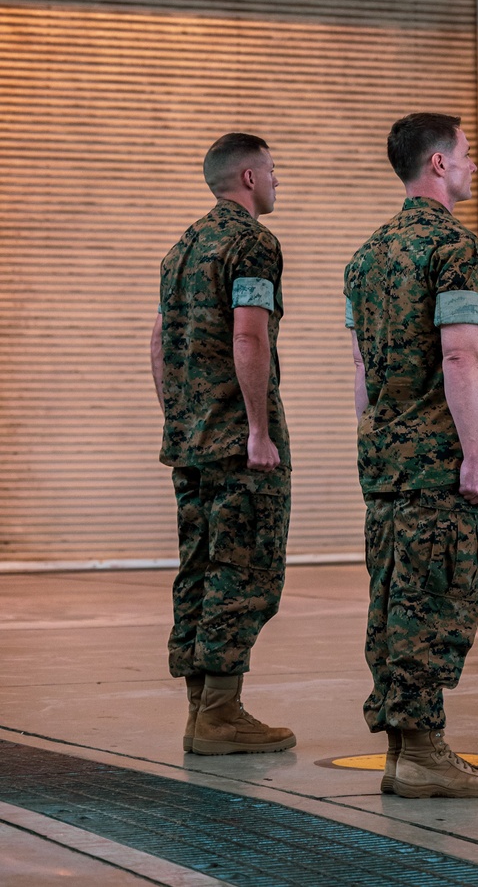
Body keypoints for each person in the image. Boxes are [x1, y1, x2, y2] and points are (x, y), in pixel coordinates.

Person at [344, 112, 478, 800]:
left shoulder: (367, 256)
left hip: (387, 463)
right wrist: (475, 456)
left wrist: (378, 442)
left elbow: (359, 372)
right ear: (438, 164)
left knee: (392, 603)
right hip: (440, 464)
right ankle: (421, 753)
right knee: (435, 602)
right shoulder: (453, 249)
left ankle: (401, 751)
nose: (472, 165)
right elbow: (462, 352)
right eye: (465, 154)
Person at [151, 131, 295, 757]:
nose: (276, 181)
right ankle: (220, 715)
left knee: (199, 568)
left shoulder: (180, 249)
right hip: (238, 443)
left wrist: (179, 417)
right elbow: (249, 338)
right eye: (271, 171)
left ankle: (199, 712)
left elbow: (158, 343)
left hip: (190, 440)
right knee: (244, 569)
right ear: (247, 178)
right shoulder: (252, 243)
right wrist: (258, 430)